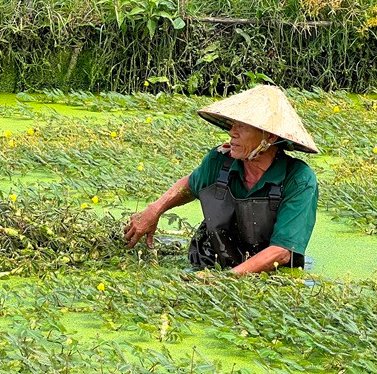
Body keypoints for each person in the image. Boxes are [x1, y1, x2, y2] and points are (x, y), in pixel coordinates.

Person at [124, 84, 319, 275]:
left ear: (268, 136)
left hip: (269, 277)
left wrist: (226, 280)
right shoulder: (219, 160)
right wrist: (155, 209)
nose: (232, 132)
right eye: (233, 124)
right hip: (209, 263)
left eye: (242, 126)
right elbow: (191, 184)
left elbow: (282, 252)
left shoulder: (299, 180)